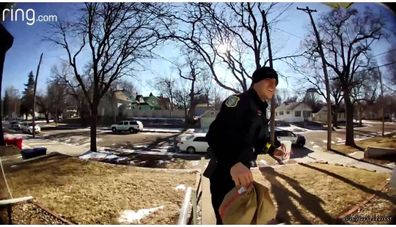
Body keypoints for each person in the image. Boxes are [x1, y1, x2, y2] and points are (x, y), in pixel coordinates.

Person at [204, 66, 288, 224]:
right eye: (268, 81)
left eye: (275, 83)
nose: (273, 86)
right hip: (224, 172)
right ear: (256, 82)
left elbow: (260, 142)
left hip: (242, 175)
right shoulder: (239, 101)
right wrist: (232, 163)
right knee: (227, 221)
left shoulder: (261, 110)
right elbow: (215, 135)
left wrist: (273, 151)